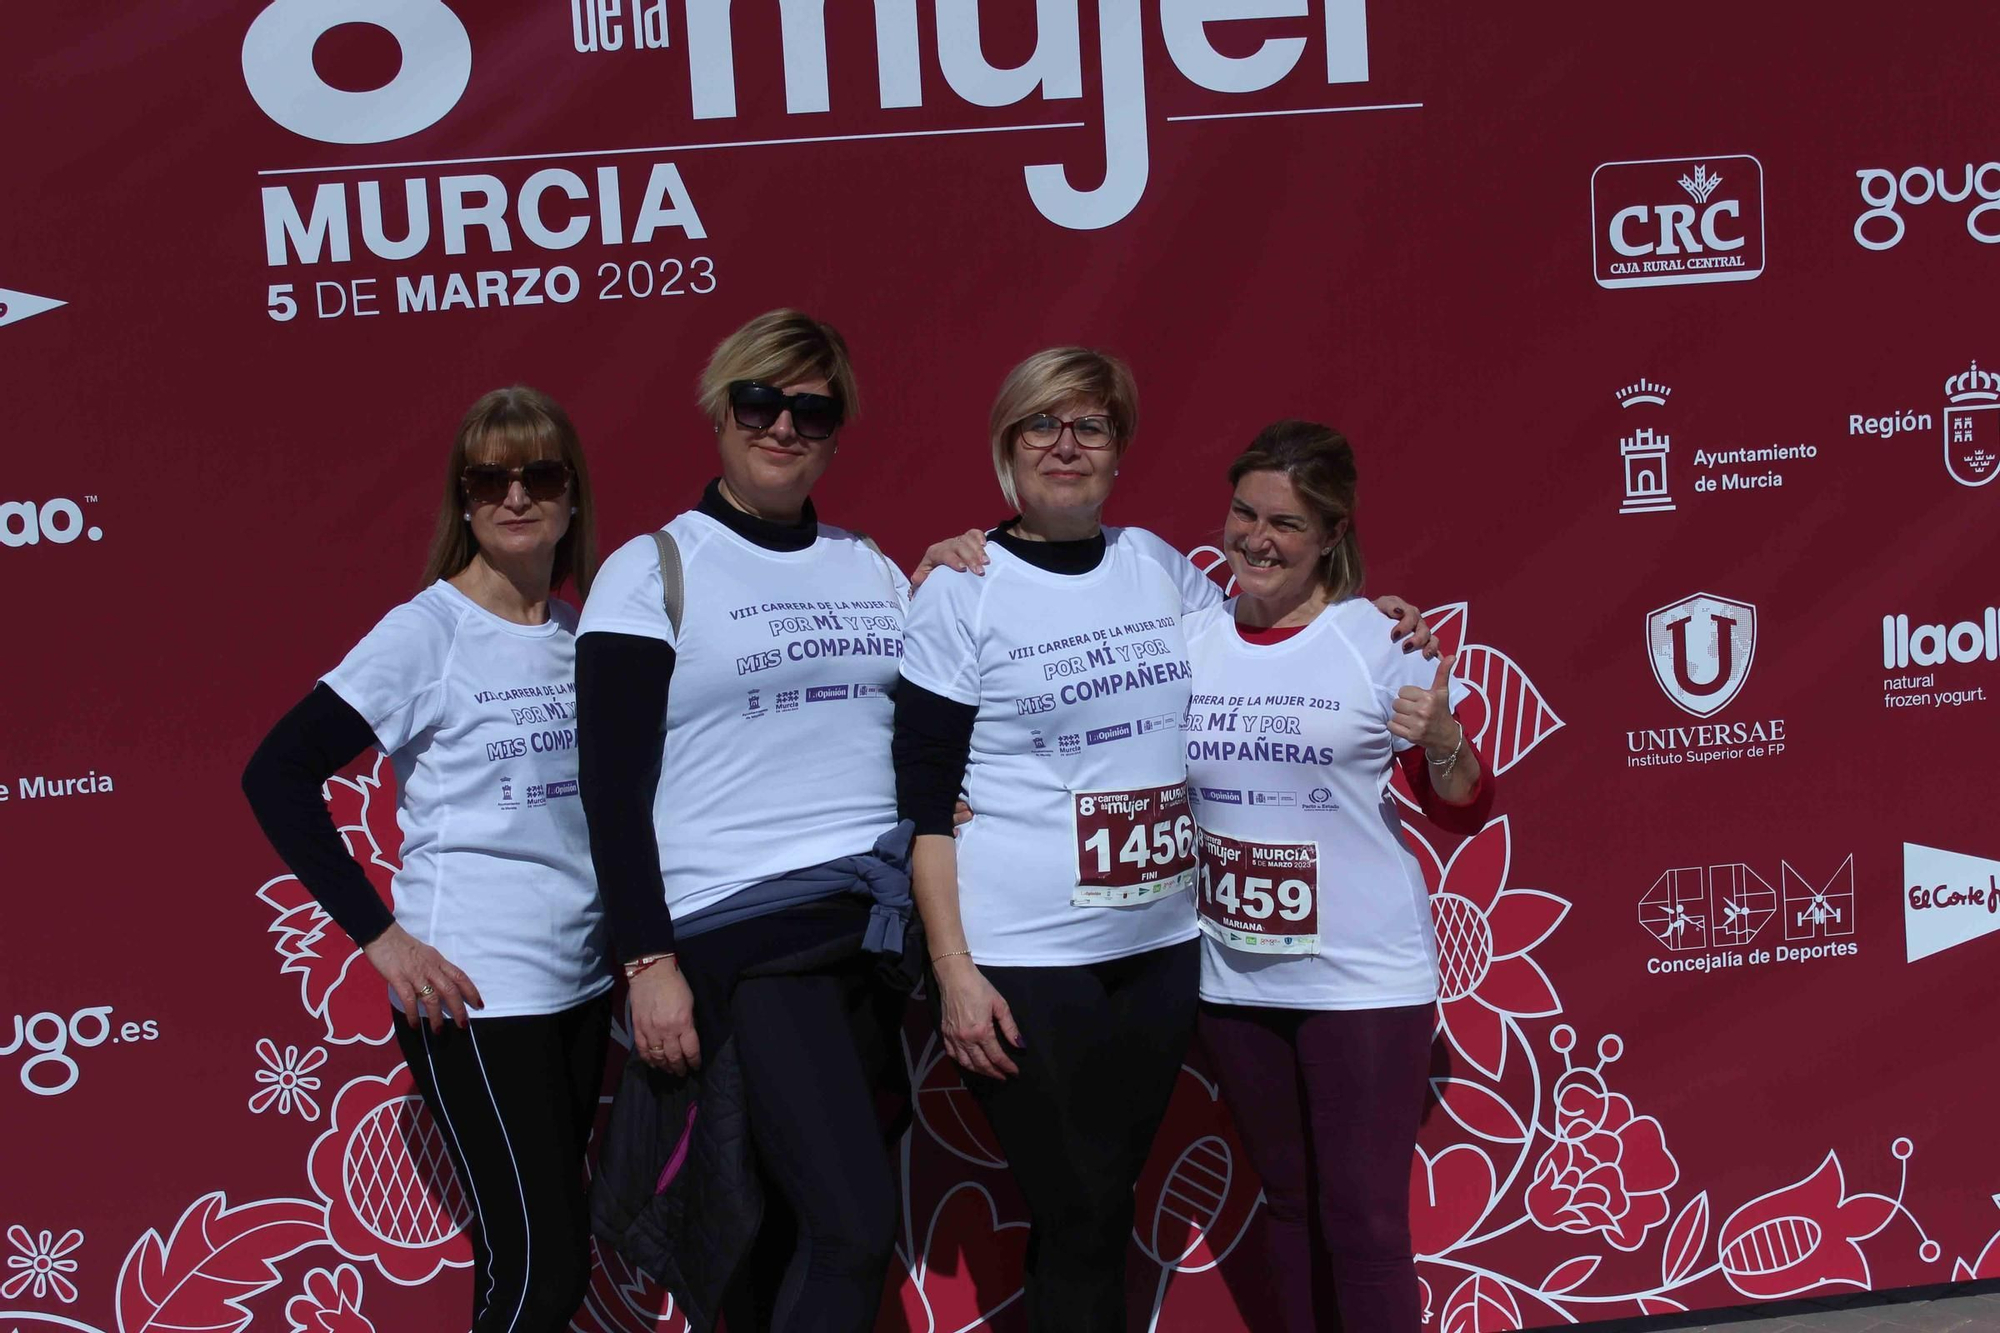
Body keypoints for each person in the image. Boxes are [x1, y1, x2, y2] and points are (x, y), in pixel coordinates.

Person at [893, 350, 1431, 1331]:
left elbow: (1277, 634)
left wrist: (1376, 613)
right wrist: (953, 968)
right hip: (1028, 957)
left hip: (1159, 956)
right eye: (1040, 426)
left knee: (1108, 1206)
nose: (1065, 446)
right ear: (1005, 445)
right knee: (1077, 1207)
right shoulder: (958, 589)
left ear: (1117, 450)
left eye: (1088, 427)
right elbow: (923, 804)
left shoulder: (1160, 570)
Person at [242, 386, 610, 1333]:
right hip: (477, 992)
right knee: (548, 1270)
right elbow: (277, 772)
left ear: (572, 495)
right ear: (464, 498)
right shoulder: (429, 632)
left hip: (582, 984)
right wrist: (382, 939)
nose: (516, 495)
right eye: (490, 477)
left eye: (541, 474)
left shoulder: (586, 636)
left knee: (517, 1260)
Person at [578, 309, 917, 1333]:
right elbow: (609, 786)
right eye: (759, 402)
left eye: (811, 410)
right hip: (743, 947)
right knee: (854, 1231)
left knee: (767, 1235)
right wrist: (646, 963)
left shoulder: (871, 564)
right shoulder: (652, 570)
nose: (783, 427)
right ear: (720, 413)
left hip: (871, 939)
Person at [1185, 420, 1491, 1333]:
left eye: (1287, 521)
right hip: (1234, 976)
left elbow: (1461, 803)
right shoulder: (1189, 636)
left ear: (1332, 534)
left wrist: (1444, 742)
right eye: (1245, 512)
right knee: (1288, 1205)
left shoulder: (1379, 639)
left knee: (1362, 1219)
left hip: (1361, 976)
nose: (1258, 538)